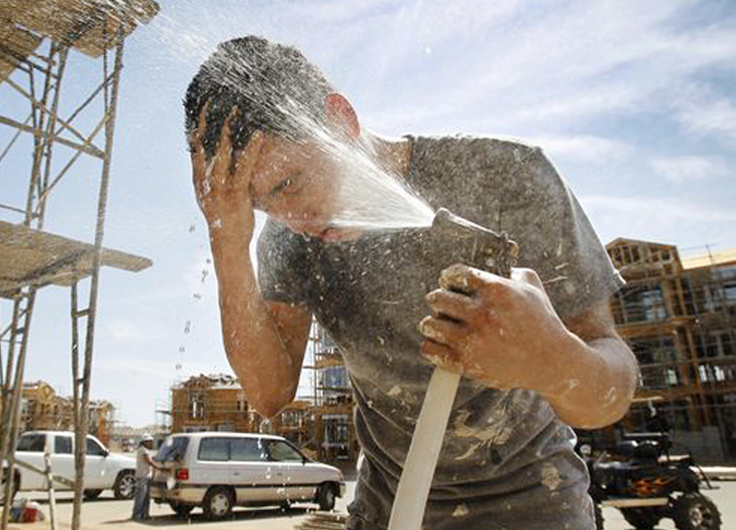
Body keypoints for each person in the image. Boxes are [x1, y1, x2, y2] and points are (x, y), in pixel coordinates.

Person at [184, 36, 639, 530]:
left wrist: (552, 360)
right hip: (387, 513)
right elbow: (268, 393)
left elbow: (610, 395)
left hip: (535, 506)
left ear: (340, 119)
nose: (292, 219)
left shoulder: (510, 176)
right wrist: (227, 237)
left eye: (288, 184)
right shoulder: (288, 241)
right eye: (262, 206)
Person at [132, 434, 160, 521]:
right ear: (145, 442)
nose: (151, 443)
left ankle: (145, 514)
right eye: (150, 442)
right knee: (140, 497)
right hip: (142, 477)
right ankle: (137, 515)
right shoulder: (143, 450)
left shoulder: (146, 450)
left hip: (146, 476)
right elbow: (148, 461)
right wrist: (157, 466)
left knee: (146, 498)